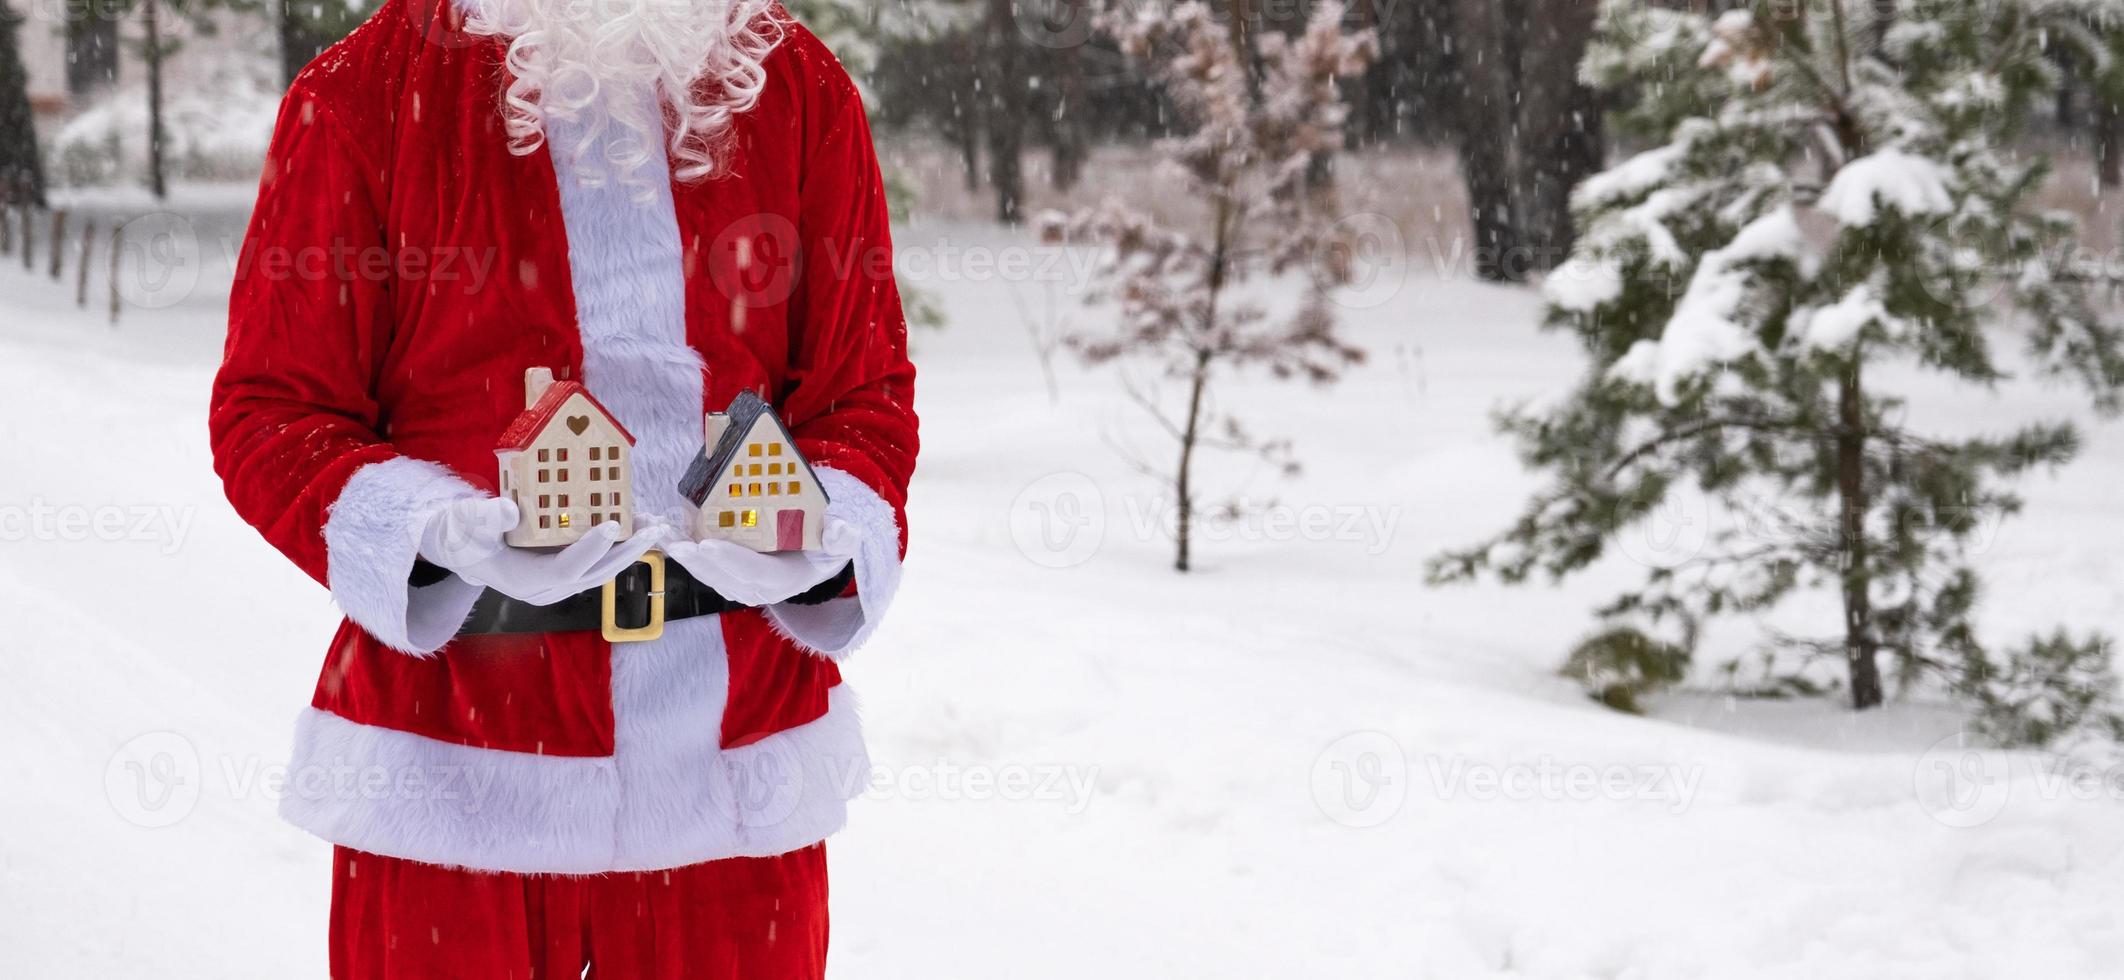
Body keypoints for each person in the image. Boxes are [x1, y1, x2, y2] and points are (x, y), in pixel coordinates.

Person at [208, 0, 916, 973]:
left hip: (734, 788)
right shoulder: (363, 94)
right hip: (453, 787)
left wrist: (825, 533)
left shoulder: (794, 84)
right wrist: (434, 534)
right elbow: (273, 406)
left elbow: (860, 390)